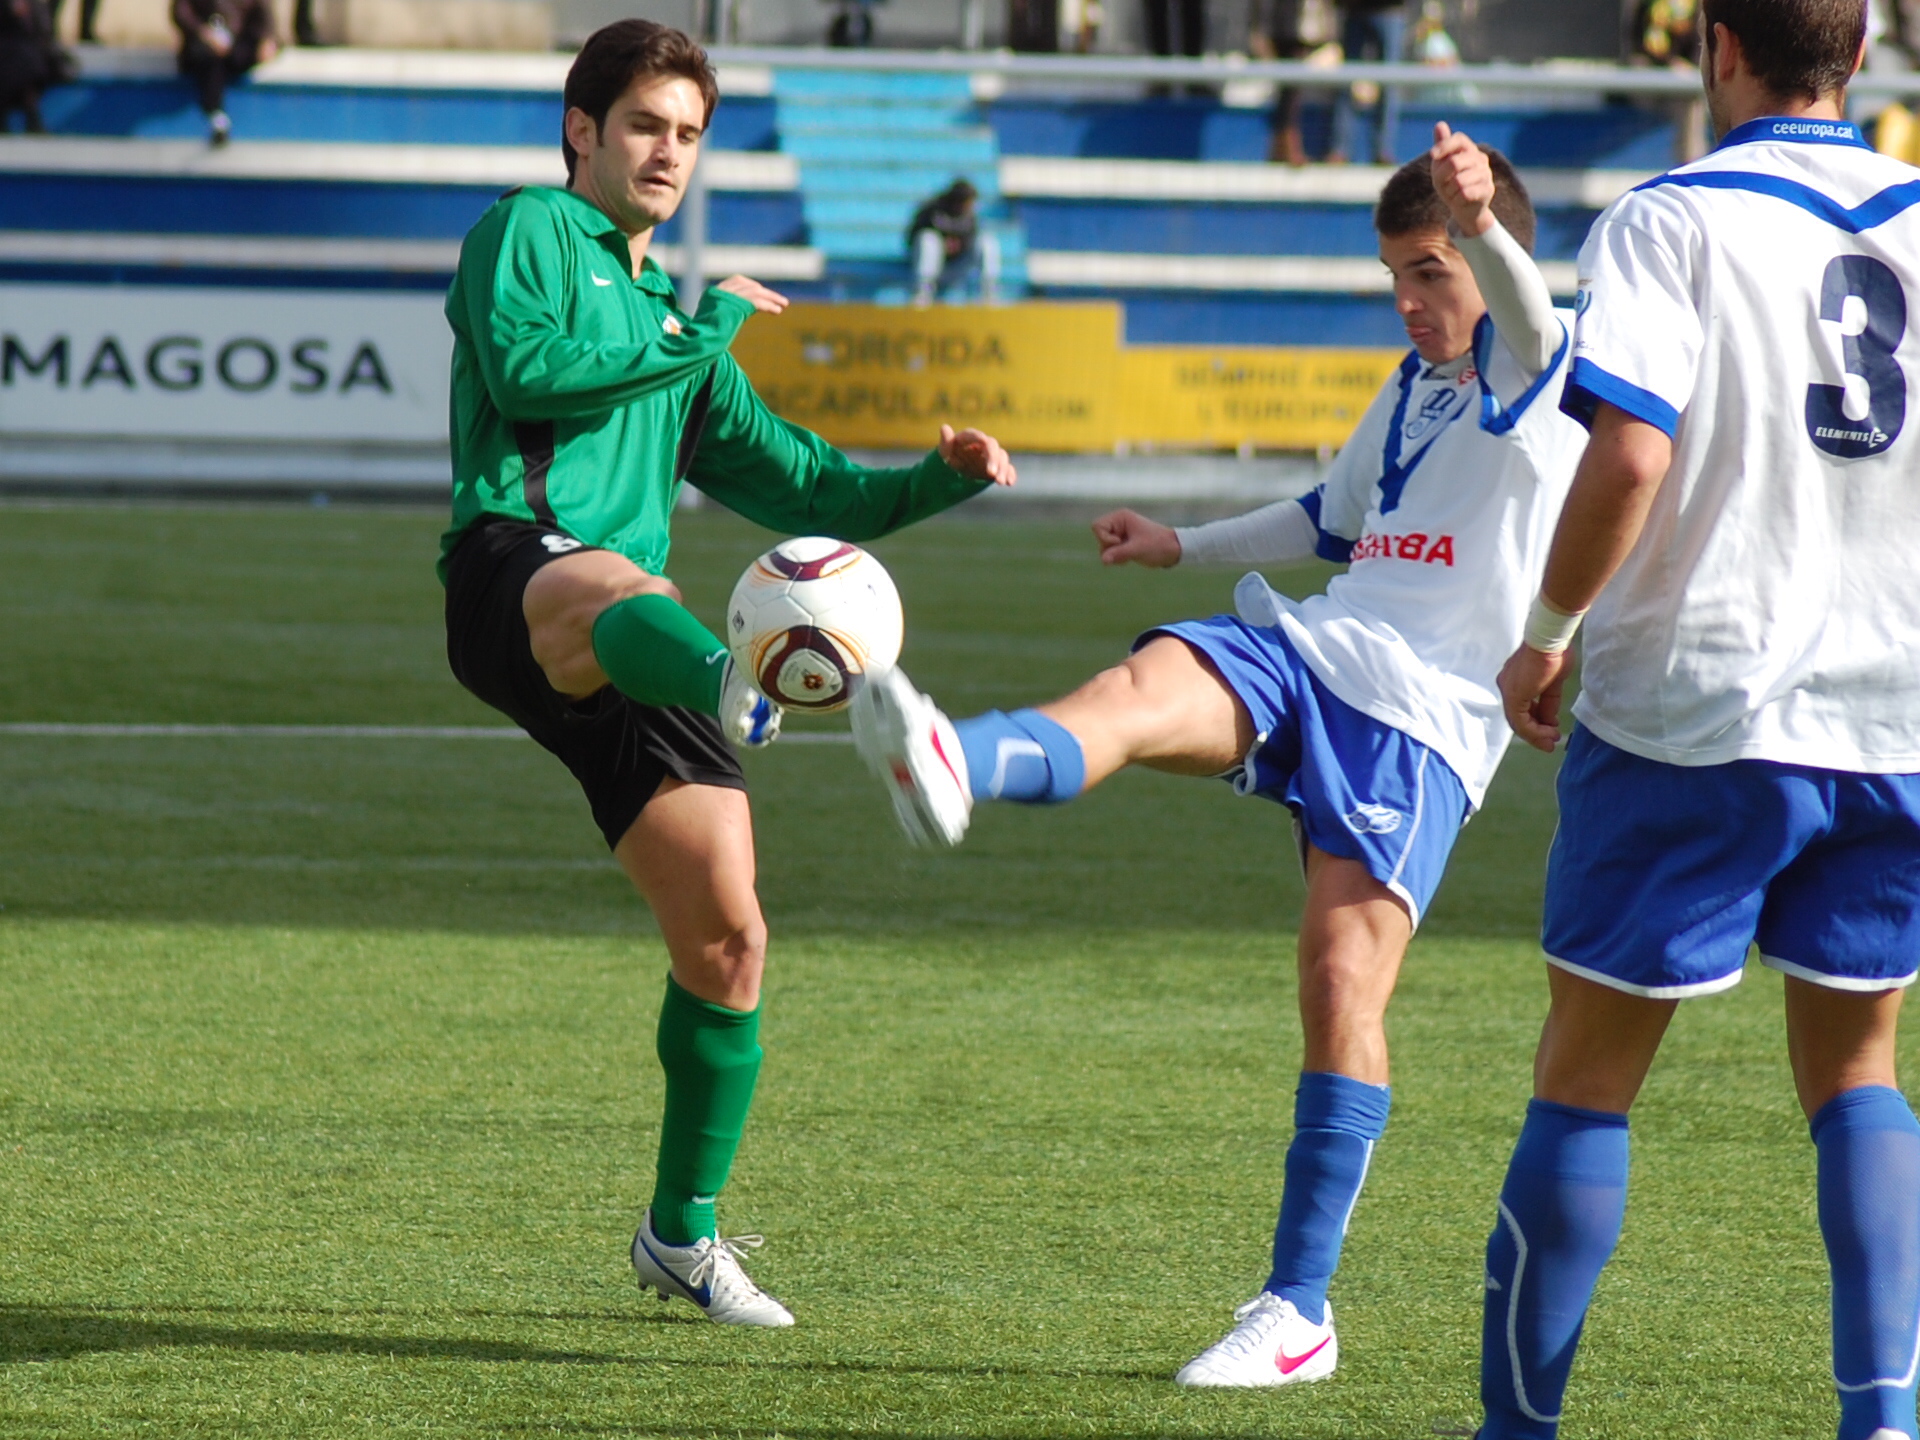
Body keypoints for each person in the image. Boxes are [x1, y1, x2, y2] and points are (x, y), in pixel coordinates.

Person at [853, 124, 1584, 1386]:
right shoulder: (1411, 385)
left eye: (1431, 270)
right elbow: (1325, 517)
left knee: (1338, 981)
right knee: (1139, 686)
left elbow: (1526, 302)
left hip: (1424, 724)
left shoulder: (1540, 363)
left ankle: (1298, 1312)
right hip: (1314, 646)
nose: (1413, 302)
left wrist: (1486, 229)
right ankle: (955, 758)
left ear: (1480, 253)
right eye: (1398, 277)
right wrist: (1174, 544)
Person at [440, 20, 1015, 1329]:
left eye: (689, 133)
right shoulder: (524, 230)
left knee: (729, 937)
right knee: (625, 584)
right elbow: (532, 369)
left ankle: (680, 1238)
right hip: (514, 575)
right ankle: (729, 677)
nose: (668, 153)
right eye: (646, 124)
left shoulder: (671, 326)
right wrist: (700, 333)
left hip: (632, 646)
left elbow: (806, 486)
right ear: (583, 130)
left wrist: (941, 478)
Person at [1481, 0, 1920, 1436]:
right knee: (1860, 1071)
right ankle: (1886, 1419)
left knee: (1587, 1078)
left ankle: (1518, 1427)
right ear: (1858, 58)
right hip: (1894, 717)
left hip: (1698, 706)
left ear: (1717, 46)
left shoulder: (1672, 217)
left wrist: (1544, 636)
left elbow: (1630, 451)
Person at [172, 0, 276, 146]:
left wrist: (267, 37)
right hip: (203, 49)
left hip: (235, 44)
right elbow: (180, 13)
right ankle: (217, 116)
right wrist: (204, 33)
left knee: (242, 53)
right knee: (212, 62)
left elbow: (262, 11)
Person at [1331, 0, 1407, 164]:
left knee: (1389, 84)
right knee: (1346, 81)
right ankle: (1340, 150)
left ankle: (1383, 151)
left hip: (1389, 10)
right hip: (1355, 9)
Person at [908, 178, 1001, 305]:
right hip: (932, 267)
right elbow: (911, 240)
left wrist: (961, 245)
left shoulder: (971, 217)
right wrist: (942, 245)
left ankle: (989, 294)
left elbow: (974, 244)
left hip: (958, 267)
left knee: (987, 241)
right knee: (928, 239)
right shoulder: (931, 211)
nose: (970, 206)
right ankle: (923, 292)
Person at [0, 0, 58, 133]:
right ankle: (30, 113)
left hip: (22, 53)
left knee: (28, 66)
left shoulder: (32, 5)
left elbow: (41, 30)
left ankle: (31, 113)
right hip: (9, 52)